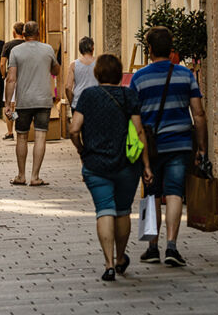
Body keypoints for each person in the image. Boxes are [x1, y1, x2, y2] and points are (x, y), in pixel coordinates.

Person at [69, 54, 153, 282]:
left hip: (95, 164)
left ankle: (107, 264)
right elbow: (138, 132)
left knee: (104, 209)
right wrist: (146, 164)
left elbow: (74, 129)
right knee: (123, 210)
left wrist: (81, 150)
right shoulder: (128, 95)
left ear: (97, 73)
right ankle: (119, 258)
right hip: (127, 164)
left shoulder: (88, 95)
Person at [130, 26, 207, 267]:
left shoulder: (139, 78)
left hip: (150, 147)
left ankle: (152, 247)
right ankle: (172, 246)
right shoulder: (186, 75)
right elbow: (199, 114)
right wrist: (202, 148)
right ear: (171, 48)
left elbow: (133, 117)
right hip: (180, 143)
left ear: (149, 49)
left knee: (152, 193)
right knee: (174, 192)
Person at [4, 21, 60, 187]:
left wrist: (8, 103)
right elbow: (56, 70)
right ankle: (35, 177)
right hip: (43, 100)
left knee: (21, 136)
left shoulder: (16, 51)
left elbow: (11, 78)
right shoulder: (48, 49)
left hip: (24, 101)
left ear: (23, 33)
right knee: (40, 136)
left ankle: (21, 175)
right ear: (38, 32)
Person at [0, 22, 25, 140]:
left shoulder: (8, 45)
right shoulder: (27, 44)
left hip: (11, 77)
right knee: (23, 105)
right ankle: (22, 129)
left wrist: (4, 75)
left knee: (9, 106)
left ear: (14, 32)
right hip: (26, 78)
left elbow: (2, 63)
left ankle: (10, 132)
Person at [66, 36, 99, 113]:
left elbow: (68, 87)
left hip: (78, 103)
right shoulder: (99, 63)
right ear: (93, 48)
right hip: (95, 103)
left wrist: (72, 103)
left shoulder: (73, 65)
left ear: (80, 49)